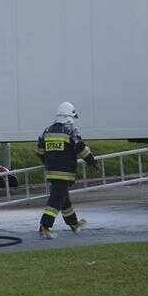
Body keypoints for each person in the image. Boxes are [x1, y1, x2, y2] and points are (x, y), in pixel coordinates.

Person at [36, 102, 97, 239]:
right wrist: (92, 161)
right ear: (70, 116)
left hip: (51, 171)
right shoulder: (71, 130)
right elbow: (81, 148)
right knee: (56, 200)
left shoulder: (47, 130)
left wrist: (48, 161)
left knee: (64, 199)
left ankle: (74, 224)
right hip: (65, 173)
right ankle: (45, 227)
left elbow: (39, 150)